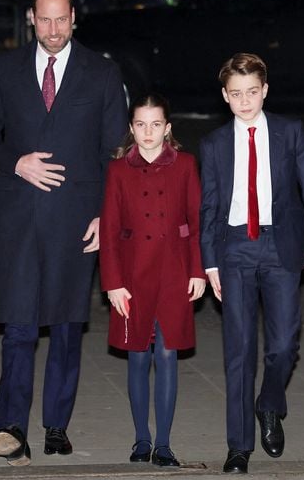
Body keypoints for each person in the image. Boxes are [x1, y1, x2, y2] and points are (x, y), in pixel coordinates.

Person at [0, 0, 127, 466]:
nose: (54, 30)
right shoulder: (6, 69)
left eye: (63, 19)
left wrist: (106, 214)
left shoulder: (101, 74)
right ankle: (9, 424)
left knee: (65, 326)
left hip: (76, 223)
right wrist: (16, 162)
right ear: (31, 20)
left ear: (74, 18)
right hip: (19, 218)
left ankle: (56, 424)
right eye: (45, 19)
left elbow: (115, 155)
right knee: (19, 327)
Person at [200, 52, 304, 474]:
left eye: (252, 92)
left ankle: (269, 403)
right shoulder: (215, 143)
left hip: (280, 246)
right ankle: (239, 446)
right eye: (236, 94)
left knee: (284, 345)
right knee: (238, 351)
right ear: (225, 96)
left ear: (265, 90)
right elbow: (209, 207)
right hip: (234, 247)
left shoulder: (289, 132)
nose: (245, 101)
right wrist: (210, 263)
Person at [99, 93, 206, 467]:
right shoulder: (117, 170)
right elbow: (110, 231)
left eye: (156, 124)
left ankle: (163, 443)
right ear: (131, 128)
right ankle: (140, 439)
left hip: (174, 273)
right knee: (137, 357)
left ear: (168, 128)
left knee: (167, 354)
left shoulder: (186, 165)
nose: (148, 132)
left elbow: (196, 224)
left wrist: (198, 271)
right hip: (132, 275)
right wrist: (112, 282)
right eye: (141, 125)